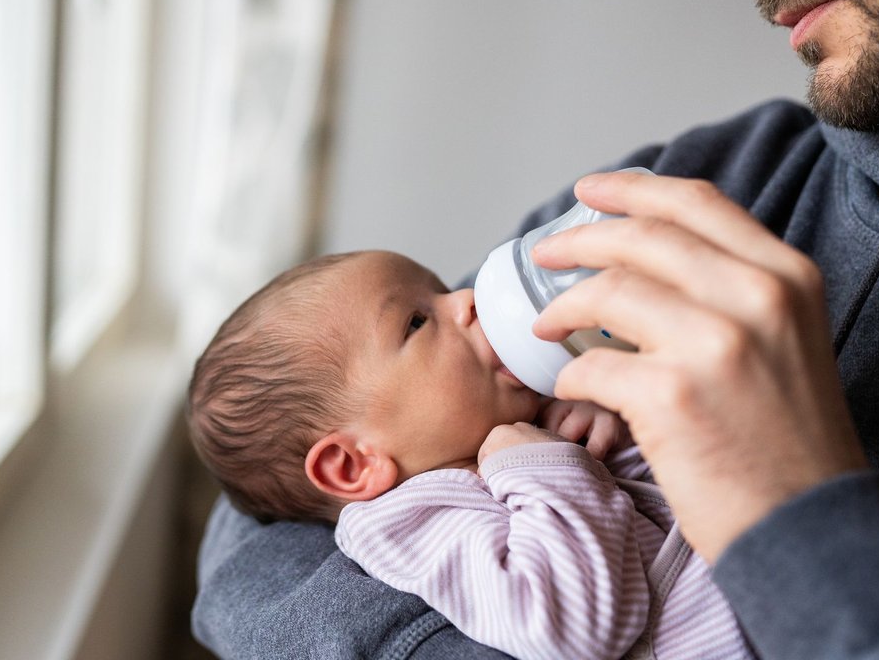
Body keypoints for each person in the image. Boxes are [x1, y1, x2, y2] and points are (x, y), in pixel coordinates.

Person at [193, 0, 879, 657]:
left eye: (428, 305)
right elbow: (253, 540)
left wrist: (797, 512)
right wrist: (587, 432)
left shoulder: (500, 438)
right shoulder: (728, 173)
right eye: (419, 319)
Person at [188, 250, 754, 659]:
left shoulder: (526, 427)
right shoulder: (410, 522)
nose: (465, 300)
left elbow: (661, 502)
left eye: (439, 289)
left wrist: (616, 424)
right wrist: (537, 463)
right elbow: (572, 626)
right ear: (353, 465)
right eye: (416, 322)